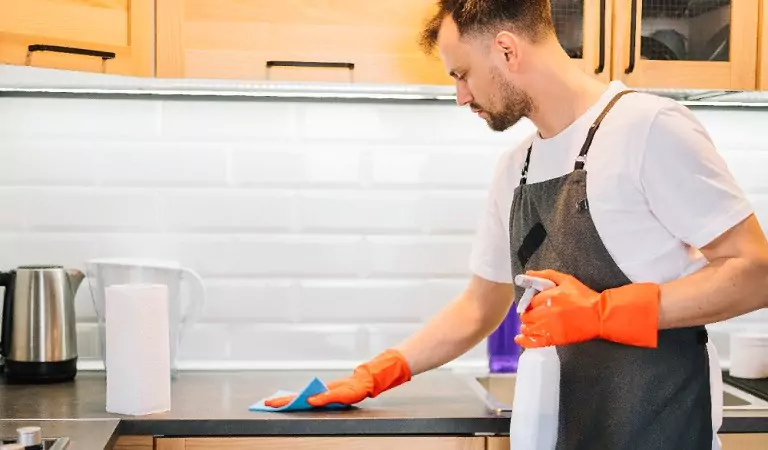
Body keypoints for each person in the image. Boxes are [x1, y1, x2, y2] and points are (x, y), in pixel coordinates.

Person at [266, 1, 768, 448]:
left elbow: (754, 271)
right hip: (558, 431)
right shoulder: (517, 166)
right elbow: (479, 308)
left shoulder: (648, 128)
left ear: (507, 51)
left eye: (461, 73)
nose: (461, 95)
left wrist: (601, 311)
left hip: (657, 431)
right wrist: (376, 374)